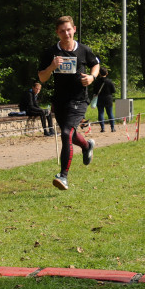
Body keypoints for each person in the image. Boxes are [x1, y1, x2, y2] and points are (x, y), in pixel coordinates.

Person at [37, 15, 100, 190]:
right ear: (57, 33)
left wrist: (91, 77)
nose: (66, 33)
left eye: (69, 29)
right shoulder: (50, 52)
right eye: (62, 31)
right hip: (60, 100)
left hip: (79, 99)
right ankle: (87, 146)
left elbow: (96, 65)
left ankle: (63, 176)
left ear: (74, 30)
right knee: (70, 134)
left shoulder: (84, 50)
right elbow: (42, 78)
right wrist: (52, 67)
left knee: (66, 133)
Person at [91, 67, 116, 132]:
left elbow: (94, 91)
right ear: (107, 73)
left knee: (101, 113)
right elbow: (113, 91)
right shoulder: (109, 81)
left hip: (100, 99)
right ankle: (112, 128)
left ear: (99, 73)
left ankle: (102, 128)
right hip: (108, 98)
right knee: (110, 113)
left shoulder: (96, 82)